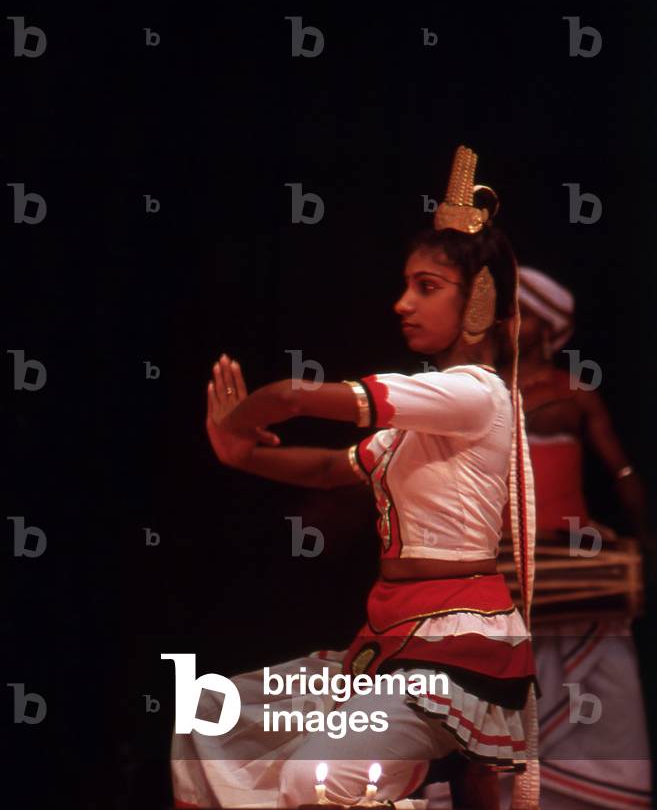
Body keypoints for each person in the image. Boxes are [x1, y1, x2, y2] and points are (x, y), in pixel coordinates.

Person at [169, 146, 540, 810]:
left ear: (478, 300)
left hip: (455, 657)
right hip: (391, 646)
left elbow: (293, 395)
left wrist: (239, 421)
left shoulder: (474, 394)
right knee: (203, 716)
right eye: (405, 284)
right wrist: (235, 455)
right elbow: (327, 464)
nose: (401, 303)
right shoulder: (418, 421)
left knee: (316, 782)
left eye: (425, 287)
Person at [494, 268, 653, 810]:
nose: (512, 324)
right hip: (506, 558)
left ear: (547, 325)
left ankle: (601, 789)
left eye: (524, 313)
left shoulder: (574, 391)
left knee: (601, 675)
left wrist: (643, 535)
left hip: (572, 557)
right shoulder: (483, 389)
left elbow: (621, 472)